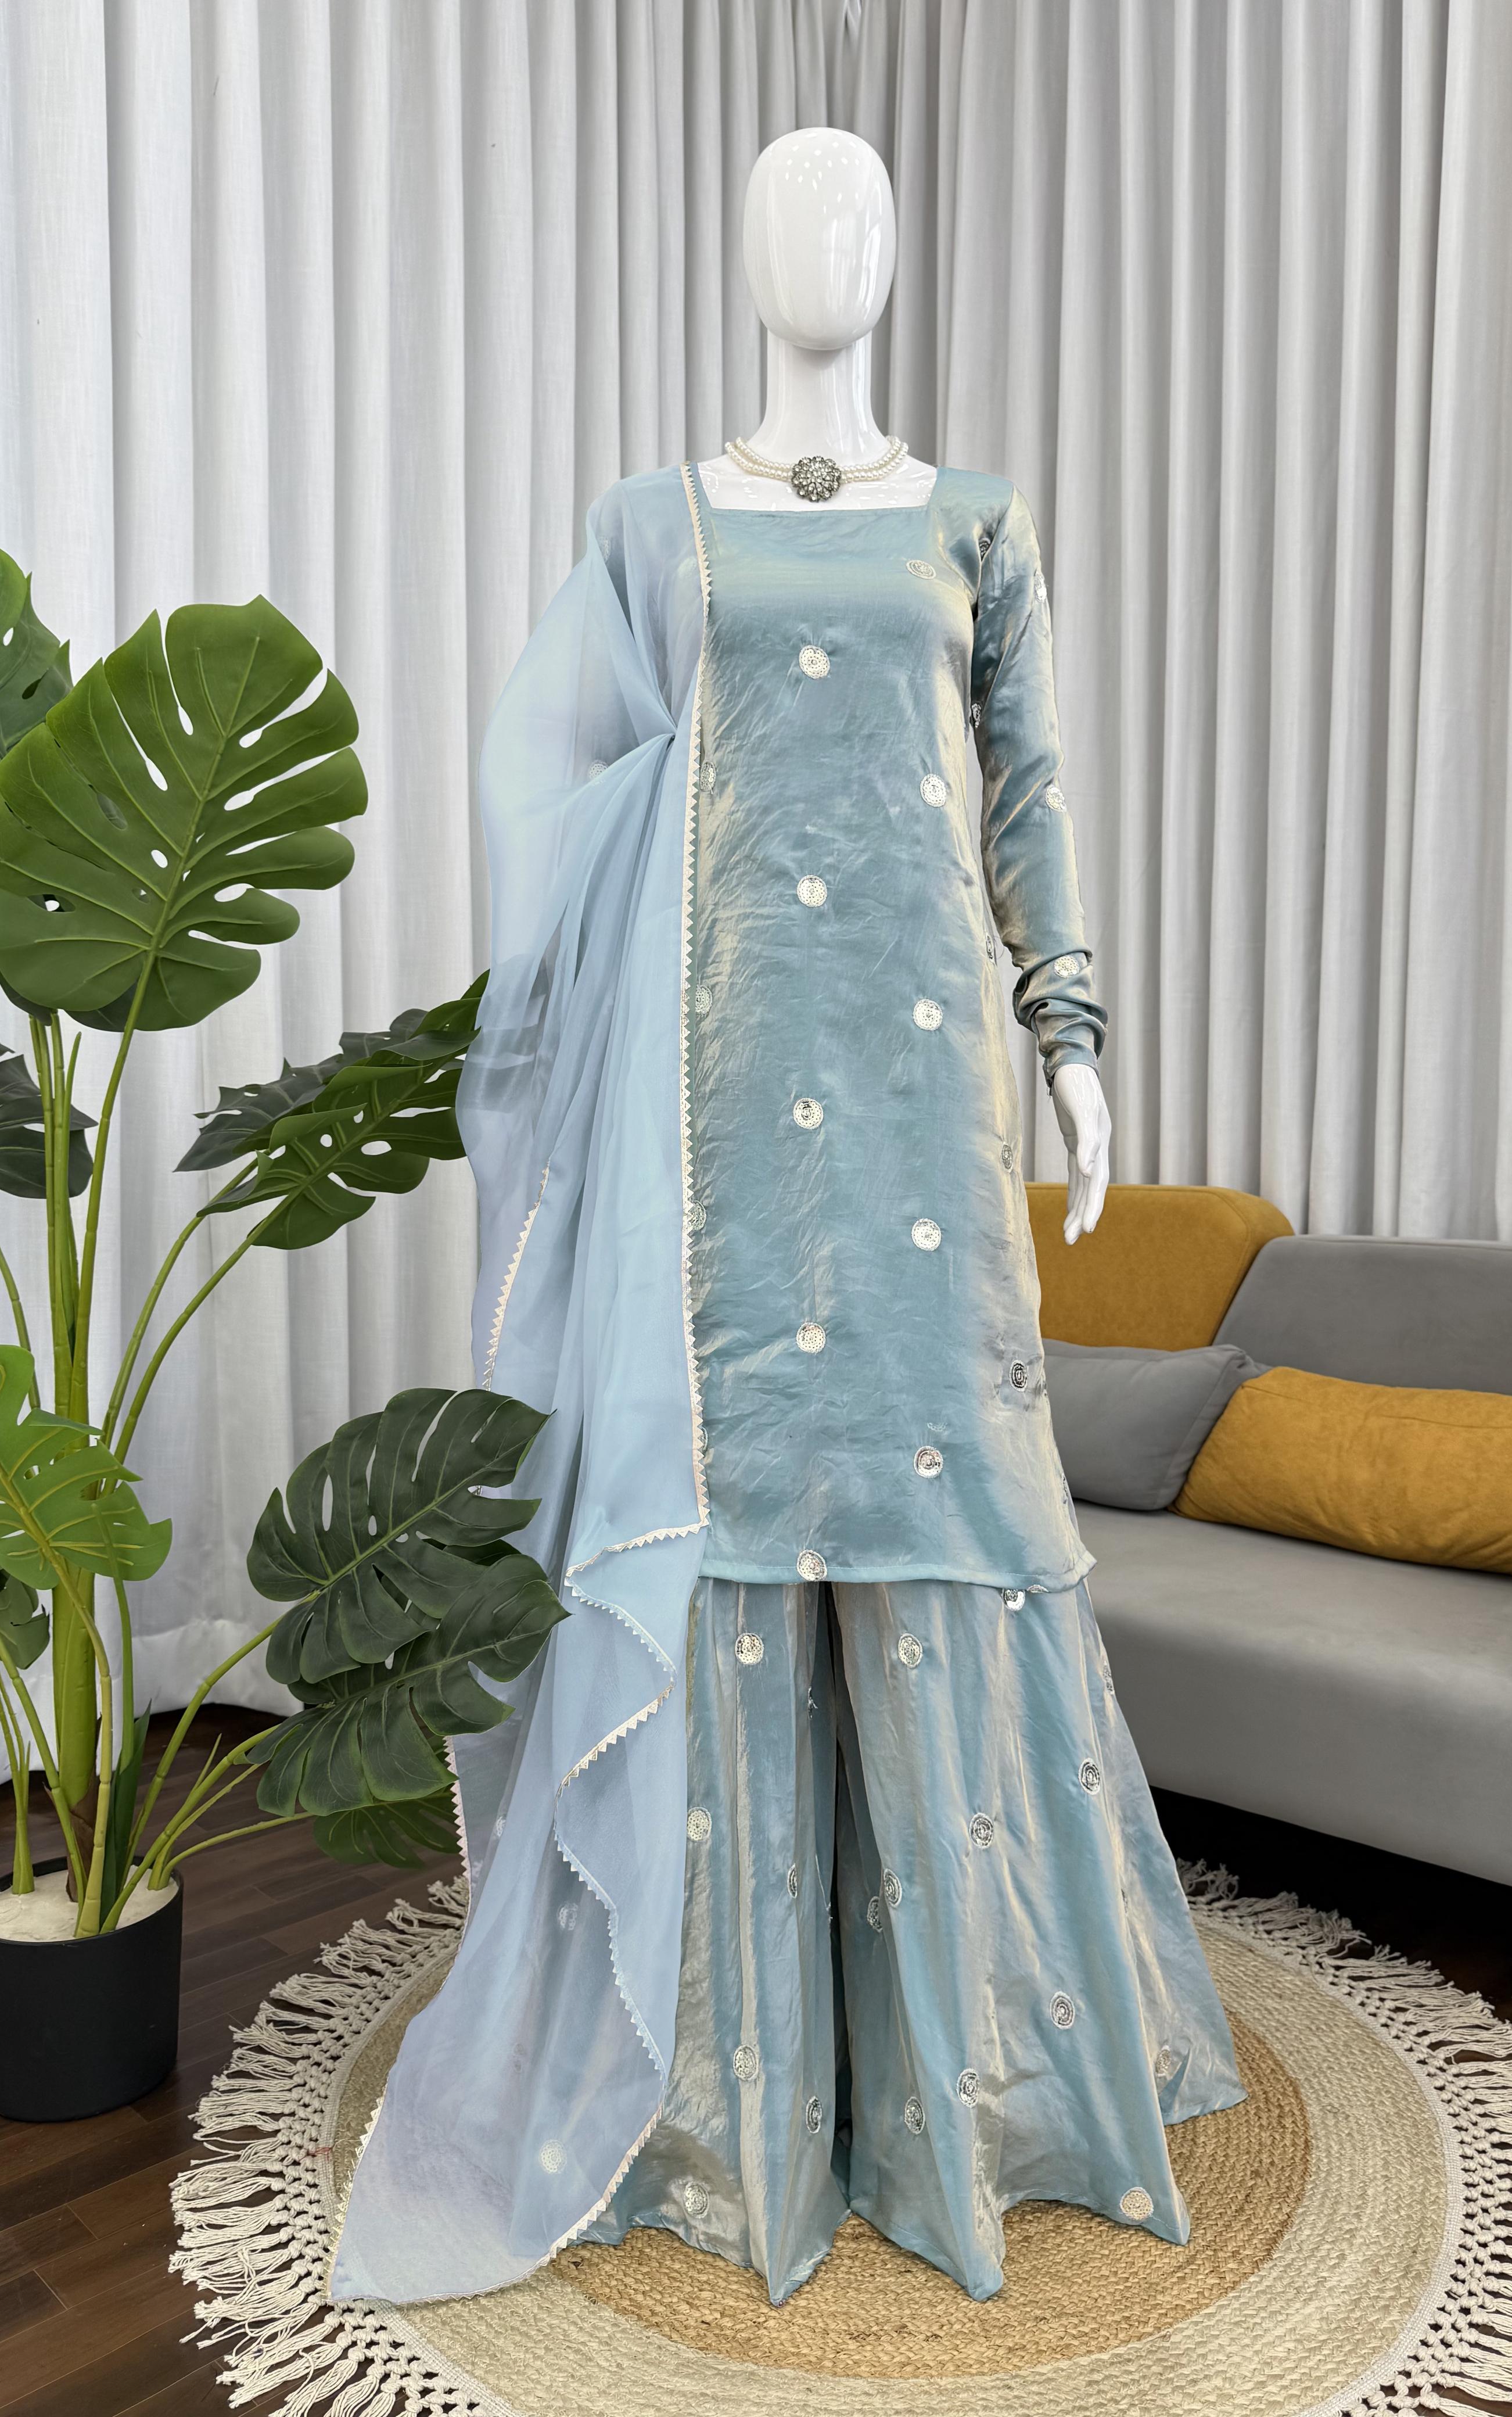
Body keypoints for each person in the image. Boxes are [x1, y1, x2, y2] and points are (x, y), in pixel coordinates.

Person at [330, 127, 1242, 2312]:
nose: (828, 241)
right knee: (735, 1523)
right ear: (741, 252)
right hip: (720, 1110)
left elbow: (1026, 792)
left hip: (926, 1106)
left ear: (899, 253)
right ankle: (716, 2105)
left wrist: (1073, 1033)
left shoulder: (980, 521)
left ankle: (978, 2095)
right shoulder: (650, 526)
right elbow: (552, 782)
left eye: (860, 211)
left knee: (947, 1513)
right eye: (790, 209)